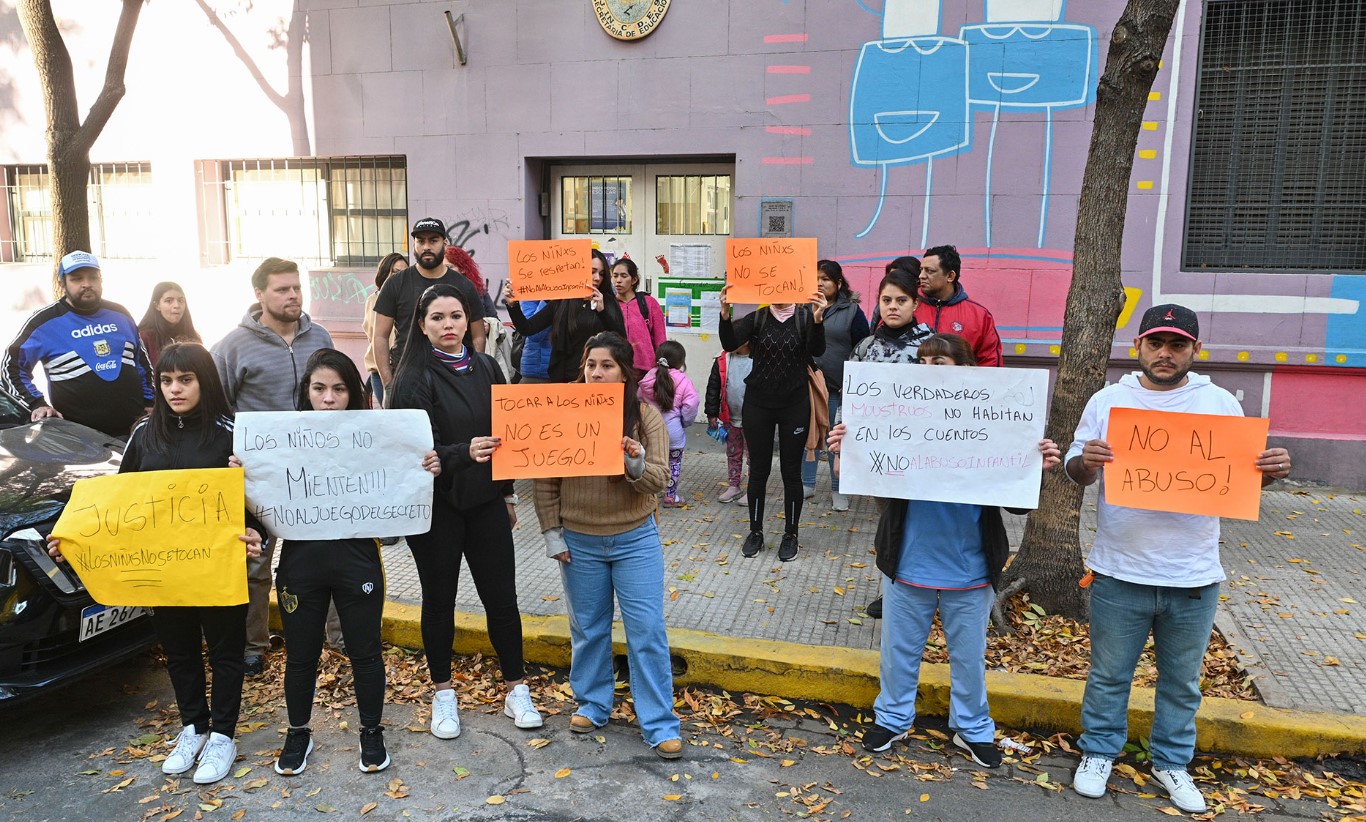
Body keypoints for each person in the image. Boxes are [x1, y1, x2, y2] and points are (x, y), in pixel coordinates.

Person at [1066, 304, 1292, 815]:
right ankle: (1099, 752)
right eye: (1155, 344)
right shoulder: (1109, 400)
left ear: (1194, 350)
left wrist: (1271, 470)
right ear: (1138, 347)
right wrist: (1087, 462)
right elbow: (1076, 472)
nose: (1164, 354)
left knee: (1182, 681)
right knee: (1108, 674)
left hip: (1193, 574)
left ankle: (1171, 762)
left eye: (1177, 345)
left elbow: (1243, 477)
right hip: (1119, 568)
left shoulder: (1217, 403)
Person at [829, 333, 1061, 769]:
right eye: (924, 360)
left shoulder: (992, 421)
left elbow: (1016, 501)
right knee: (898, 649)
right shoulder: (899, 414)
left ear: (966, 370)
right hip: (907, 561)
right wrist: (848, 449)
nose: (931, 367)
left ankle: (972, 728)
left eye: (942, 361)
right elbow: (864, 478)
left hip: (970, 567)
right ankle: (893, 717)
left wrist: (1037, 466)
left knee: (969, 655)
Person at [48, 343, 263, 785]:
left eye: (186, 379)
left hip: (218, 570)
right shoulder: (144, 434)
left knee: (226, 654)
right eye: (166, 380)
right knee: (180, 652)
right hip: (165, 575)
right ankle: (193, 728)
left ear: (205, 380)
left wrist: (256, 532)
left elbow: (261, 505)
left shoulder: (233, 433)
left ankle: (223, 735)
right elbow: (116, 506)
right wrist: (73, 540)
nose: (175, 389)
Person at [230, 350, 440, 775]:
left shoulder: (375, 435)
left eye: (339, 389)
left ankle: (371, 730)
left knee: (365, 653)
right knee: (301, 655)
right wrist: (241, 478)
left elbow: (399, 486)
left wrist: (426, 467)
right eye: (320, 388)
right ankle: (298, 732)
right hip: (300, 567)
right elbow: (263, 510)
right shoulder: (280, 442)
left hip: (358, 562)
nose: (329, 399)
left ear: (354, 393)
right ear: (306, 392)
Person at [386, 283, 542, 739]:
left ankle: (516, 687)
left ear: (468, 321)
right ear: (421, 325)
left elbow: (508, 436)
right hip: (435, 510)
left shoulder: (489, 367)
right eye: (437, 318)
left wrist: (509, 494)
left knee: (503, 600)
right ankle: (443, 695)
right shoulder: (411, 378)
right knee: (439, 602)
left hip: (487, 502)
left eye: (455, 316)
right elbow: (415, 451)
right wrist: (460, 453)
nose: (448, 325)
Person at [535, 331, 683, 759]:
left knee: (647, 631)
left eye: (607, 366)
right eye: (590, 365)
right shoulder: (563, 412)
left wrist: (633, 461)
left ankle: (658, 722)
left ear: (624, 373)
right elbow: (545, 480)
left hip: (635, 539)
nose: (597, 374)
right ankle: (594, 702)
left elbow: (658, 481)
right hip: (578, 541)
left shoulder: (644, 416)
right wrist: (552, 534)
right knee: (588, 628)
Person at [211, 257, 336, 676]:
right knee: (255, 564)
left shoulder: (319, 335)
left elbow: (338, 392)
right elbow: (217, 411)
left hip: (316, 474)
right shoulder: (232, 347)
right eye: (282, 289)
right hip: (260, 480)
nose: (293, 295)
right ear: (260, 294)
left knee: (328, 556)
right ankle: (252, 646)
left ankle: (339, 640)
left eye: (296, 288)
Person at [718, 287, 828, 562]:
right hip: (758, 404)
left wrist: (818, 318)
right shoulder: (758, 318)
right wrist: (724, 313)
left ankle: (791, 534)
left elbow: (818, 350)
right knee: (758, 471)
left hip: (795, 405)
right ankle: (755, 532)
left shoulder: (804, 318)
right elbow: (730, 343)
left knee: (792, 473)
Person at [2, 250, 154, 439]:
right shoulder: (43, 322)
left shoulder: (120, 313)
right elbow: (11, 367)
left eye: (93, 277)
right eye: (77, 278)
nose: (87, 284)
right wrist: (36, 403)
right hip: (80, 440)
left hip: (135, 431)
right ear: (62, 284)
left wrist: (151, 402)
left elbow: (142, 362)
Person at [372, 218, 486, 394]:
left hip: (454, 380)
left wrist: (471, 374)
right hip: (407, 379)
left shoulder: (464, 285)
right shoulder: (395, 284)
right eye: (421, 241)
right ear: (414, 244)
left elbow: (478, 335)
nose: (426, 246)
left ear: (445, 243)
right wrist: (389, 384)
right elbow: (379, 336)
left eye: (433, 240)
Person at [804, 259, 870, 510]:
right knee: (808, 436)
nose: (820, 283)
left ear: (838, 283)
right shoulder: (803, 308)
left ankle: (838, 488)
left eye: (826, 279)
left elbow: (864, 347)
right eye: (816, 278)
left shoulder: (852, 311)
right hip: (809, 386)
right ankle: (807, 484)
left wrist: (854, 382)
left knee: (837, 440)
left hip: (839, 388)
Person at [504, 249, 626, 383]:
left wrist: (602, 312)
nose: (597, 278)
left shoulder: (607, 301)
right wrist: (513, 305)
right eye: (592, 272)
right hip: (566, 379)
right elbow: (528, 328)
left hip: (598, 379)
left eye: (602, 274)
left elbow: (621, 340)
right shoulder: (563, 301)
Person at [915, 245, 1002, 368]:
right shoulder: (907, 306)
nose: (921, 276)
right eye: (921, 270)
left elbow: (990, 364)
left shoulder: (979, 315)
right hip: (911, 387)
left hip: (961, 386)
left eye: (930, 271)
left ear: (950, 276)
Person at [638, 340, 700, 508]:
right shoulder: (683, 381)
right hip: (673, 433)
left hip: (649, 432)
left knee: (649, 463)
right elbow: (691, 403)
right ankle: (670, 497)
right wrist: (684, 421)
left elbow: (639, 400)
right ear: (681, 362)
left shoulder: (649, 376)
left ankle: (648, 495)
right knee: (674, 464)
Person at [704, 342, 753, 504]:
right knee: (733, 453)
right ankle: (734, 485)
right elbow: (713, 386)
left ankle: (754, 488)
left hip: (753, 420)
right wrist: (712, 413)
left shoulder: (758, 358)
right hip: (730, 418)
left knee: (753, 455)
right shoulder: (723, 359)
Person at [363, 253, 407, 406]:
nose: (400, 276)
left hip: (404, 369)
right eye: (395, 271)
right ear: (384, 273)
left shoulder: (409, 299)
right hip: (379, 370)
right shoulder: (373, 300)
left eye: (404, 272)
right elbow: (372, 335)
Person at [610, 257, 666, 373]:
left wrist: (662, 368)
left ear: (634, 280)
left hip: (646, 370)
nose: (618, 280)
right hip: (616, 368)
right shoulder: (609, 304)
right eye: (615, 276)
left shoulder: (648, 303)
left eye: (624, 276)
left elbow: (660, 339)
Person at [138, 281, 203, 367]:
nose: (177, 305)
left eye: (181, 300)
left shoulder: (193, 337)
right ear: (157, 305)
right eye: (169, 301)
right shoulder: (144, 338)